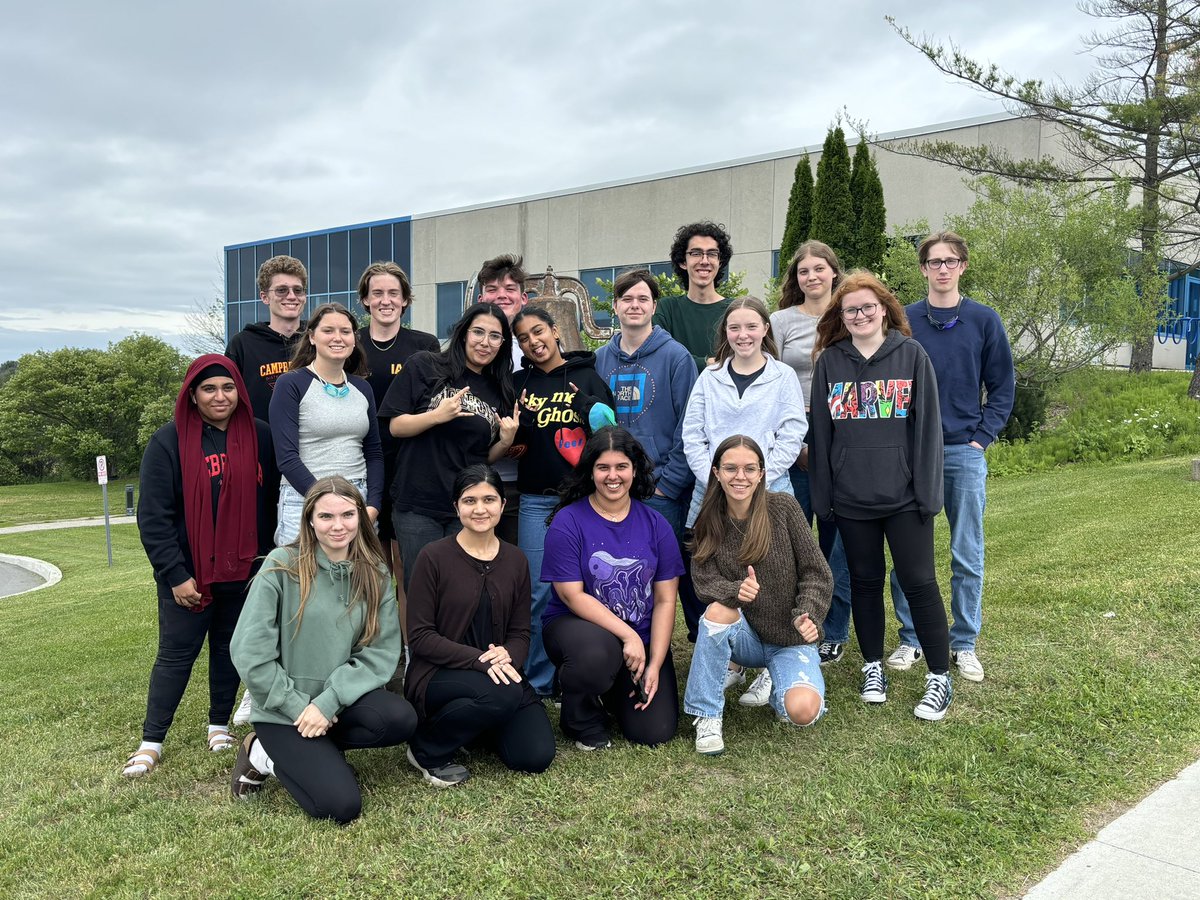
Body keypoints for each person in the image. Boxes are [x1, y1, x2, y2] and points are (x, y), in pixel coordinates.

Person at [808, 272, 953, 721]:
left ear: (885, 310)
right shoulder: (830, 362)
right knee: (865, 583)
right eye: (851, 309)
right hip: (852, 499)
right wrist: (823, 498)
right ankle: (873, 666)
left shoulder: (910, 356)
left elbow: (928, 430)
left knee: (920, 582)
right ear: (841, 316)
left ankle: (939, 675)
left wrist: (929, 494)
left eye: (869, 307)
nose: (861, 315)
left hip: (906, 498)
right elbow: (823, 436)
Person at [124, 355, 278, 777]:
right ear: (192, 394)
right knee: (176, 656)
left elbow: (272, 504)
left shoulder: (260, 436)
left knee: (230, 651)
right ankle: (151, 741)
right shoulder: (168, 441)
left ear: (239, 392)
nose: (220, 396)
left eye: (227, 388)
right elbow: (153, 517)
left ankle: (218, 726)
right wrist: (175, 574)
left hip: (244, 572)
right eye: (209, 389)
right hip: (189, 576)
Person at [229, 476, 416, 824]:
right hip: (283, 711)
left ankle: (317, 754)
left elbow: (380, 652)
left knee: (399, 719)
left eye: (347, 515)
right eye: (326, 517)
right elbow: (249, 651)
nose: (338, 526)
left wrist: (328, 701)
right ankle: (260, 754)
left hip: (336, 704)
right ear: (310, 520)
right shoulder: (280, 565)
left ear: (361, 517)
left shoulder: (374, 572)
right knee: (340, 806)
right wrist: (301, 706)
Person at [887, 232, 1015, 683]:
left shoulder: (983, 320)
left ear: (962, 266)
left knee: (966, 551)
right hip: (909, 452)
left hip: (963, 450)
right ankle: (911, 639)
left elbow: (1002, 386)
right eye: (934, 261)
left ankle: (963, 643)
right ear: (922, 268)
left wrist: (982, 438)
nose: (942, 268)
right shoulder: (903, 320)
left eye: (951, 261)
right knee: (908, 554)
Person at [681, 295, 807, 704]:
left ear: (765, 330)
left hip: (770, 489)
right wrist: (719, 479)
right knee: (721, 569)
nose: (743, 335)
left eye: (751, 326)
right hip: (712, 491)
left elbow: (792, 430)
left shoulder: (783, 375)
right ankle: (732, 660)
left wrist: (756, 479)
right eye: (734, 328)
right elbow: (692, 434)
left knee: (773, 575)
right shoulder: (710, 376)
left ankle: (774, 661)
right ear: (726, 333)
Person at [404, 465, 556, 787]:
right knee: (501, 694)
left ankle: (475, 728)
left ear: (503, 505)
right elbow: (420, 636)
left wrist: (508, 656)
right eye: (469, 500)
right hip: (438, 673)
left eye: (489, 499)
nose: (479, 509)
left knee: (534, 755)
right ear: (456, 507)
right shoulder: (433, 557)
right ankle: (426, 750)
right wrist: (479, 660)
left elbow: (520, 631)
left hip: (499, 674)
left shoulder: (516, 560)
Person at [684, 435, 832, 755]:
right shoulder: (708, 519)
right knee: (717, 612)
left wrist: (808, 613)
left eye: (750, 469)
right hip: (746, 636)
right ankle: (708, 715)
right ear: (716, 472)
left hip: (789, 636)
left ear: (762, 474)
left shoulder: (783, 508)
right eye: (731, 468)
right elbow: (703, 580)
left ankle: (776, 678)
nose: (741, 476)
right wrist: (735, 590)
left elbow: (816, 572)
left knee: (803, 711)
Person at [541, 427, 683, 750]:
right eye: (603, 467)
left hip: (640, 643)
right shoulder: (569, 522)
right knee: (595, 656)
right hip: (581, 632)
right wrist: (628, 635)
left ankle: (612, 693)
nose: (612, 476)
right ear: (590, 472)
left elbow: (664, 600)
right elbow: (571, 595)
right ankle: (580, 715)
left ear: (635, 470)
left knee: (654, 732)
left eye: (621, 467)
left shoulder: (656, 525)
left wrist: (655, 664)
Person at [511, 306, 614, 699]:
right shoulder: (519, 382)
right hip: (536, 501)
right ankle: (539, 680)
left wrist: (589, 406)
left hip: (584, 501)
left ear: (555, 332)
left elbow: (611, 435)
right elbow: (511, 439)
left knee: (591, 588)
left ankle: (595, 671)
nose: (533, 341)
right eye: (523, 337)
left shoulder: (588, 377)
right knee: (538, 591)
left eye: (538, 331)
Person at [594, 269, 702, 639]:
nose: (634, 305)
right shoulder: (599, 360)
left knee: (670, 573)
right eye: (627, 298)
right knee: (622, 573)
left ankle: (699, 644)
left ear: (654, 306)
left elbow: (690, 425)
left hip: (661, 490)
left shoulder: (676, 357)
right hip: (613, 486)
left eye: (643, 299)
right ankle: (625, 645)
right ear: (615, 306)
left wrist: (667, 485)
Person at [379, 303, 519, 591]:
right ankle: (416, 640)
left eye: (495, 336)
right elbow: (395, 426)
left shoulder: (499, 389)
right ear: (464, 333)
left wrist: (505, 441)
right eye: (478, 332)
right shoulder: (424, 365)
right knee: (421, 588)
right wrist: (436, 416)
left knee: (463, 588)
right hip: (418, 502)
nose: (485, 342)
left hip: (467, 506)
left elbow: (484, 457)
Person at [770, 242, 854, 667]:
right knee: (793, 541)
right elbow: (771, 381)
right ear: (795, 278)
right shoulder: (780, 321)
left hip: (844, 435)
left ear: (833, 272)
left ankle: (834, 629)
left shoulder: (852, 314)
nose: (812, 277)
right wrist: (797, 442)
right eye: (803, 271)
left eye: (819, 268)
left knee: (839, 542)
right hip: (794, 435)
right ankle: (790, 625)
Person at [355, 261, 440, 629]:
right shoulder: (350, 342)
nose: (385, 300)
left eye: (393, 293)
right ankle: (373, 652)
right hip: (361, 466)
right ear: (365, 300)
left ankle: (409, 654)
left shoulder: (424, 345)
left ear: (405, 300)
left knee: (407, 567)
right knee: (371, 569)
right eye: (377, 293)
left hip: (410, 468)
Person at [269, 303, 383, 546]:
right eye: (328, 331)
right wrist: (327, 500)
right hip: (304, 497)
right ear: (311, 337)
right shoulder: (291, 384)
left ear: (354, 339)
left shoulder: (363, 388)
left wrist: (373, 504)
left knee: (355, 581)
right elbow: (287, 457)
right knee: (301, 581)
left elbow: (374, 453)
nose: (338, 338)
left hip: (357, 498)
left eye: (345, 331)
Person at [475, 253, 530, 544]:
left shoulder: (537, 348)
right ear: (482, 296)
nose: (502, 296)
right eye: (493, 289)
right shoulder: (467, 351)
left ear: (523, 298)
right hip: (478, 476)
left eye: (510, 289)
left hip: (525, 482)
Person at [224, 255, 308, 424]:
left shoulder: (319, 339)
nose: (291, 296)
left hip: (314, 446)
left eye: (297, 290)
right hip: (260, 444)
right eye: (281, 290)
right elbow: (227, 399)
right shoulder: (242, 344)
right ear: (264, 297)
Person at [653, 221, 735, 372]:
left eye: (711, 254)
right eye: (696, 253)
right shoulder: (666, 309)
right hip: (679, 394)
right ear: (683, 261)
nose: (704, 261)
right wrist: (707, 363)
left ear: (720, 261)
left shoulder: (736, 310)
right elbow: (659, 355)